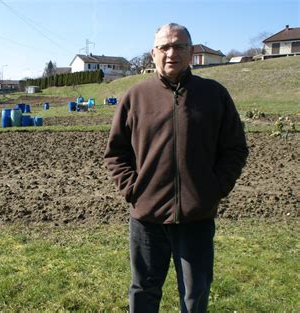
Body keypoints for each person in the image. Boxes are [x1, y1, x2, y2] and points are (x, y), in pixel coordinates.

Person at [104, 23, 248, 312]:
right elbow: (116, 153)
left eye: (179, 46)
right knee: (144, 291)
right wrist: (133, 190)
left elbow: (235, 149)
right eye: (164, 47)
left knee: (195, 296)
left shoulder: (213, 94)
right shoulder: (135, 97)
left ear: (191, 52)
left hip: (197, 217)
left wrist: (214, 189)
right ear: (153, 53)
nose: (171, 53)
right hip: (146, 218)